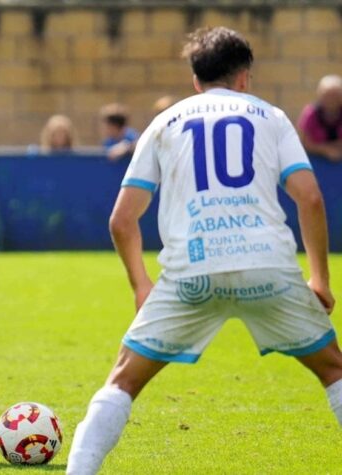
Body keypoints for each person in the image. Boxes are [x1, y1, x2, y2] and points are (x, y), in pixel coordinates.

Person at [67, 26, 342, 474]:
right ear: (245, 77)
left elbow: (122, 219)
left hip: (192, 271)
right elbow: (309, 198)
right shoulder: (271, 117)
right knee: (333, 369)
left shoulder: (164, 123)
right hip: (266, 266)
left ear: (195, 80)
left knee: (123, 380)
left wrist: (141, 285)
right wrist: (320, 280)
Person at [297, 74, 342, 162]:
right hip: (315, 161)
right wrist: (326, 150)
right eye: (327, 95)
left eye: (335, 95)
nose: (331, 99)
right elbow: (304, 141)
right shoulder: (310, 113)